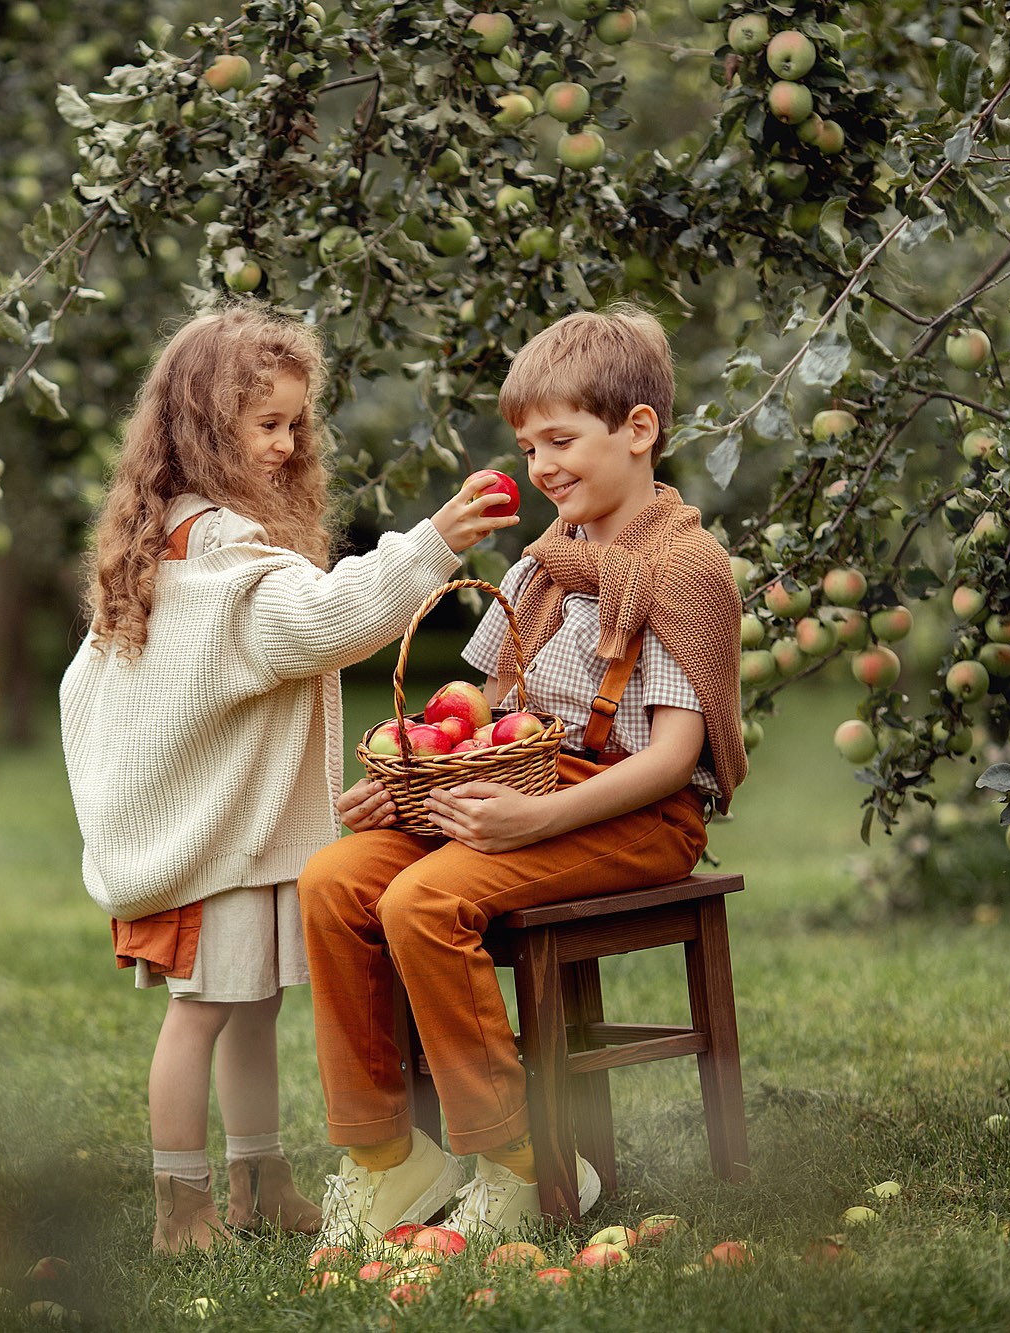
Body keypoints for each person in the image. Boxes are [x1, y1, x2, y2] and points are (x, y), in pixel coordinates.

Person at [60, 301, 518, 1255]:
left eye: (295, 424)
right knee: (204, 1016)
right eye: (264, 424)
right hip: (210, 842)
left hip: (240, 833)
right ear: (202, 430)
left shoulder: (173, 548)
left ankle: (259, 1178)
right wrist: (433, 541)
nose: (286, 443)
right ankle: (180, 1208)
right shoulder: (220, 561)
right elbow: (327, 621)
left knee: (254, 1005)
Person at [299, 305, 749, 1254]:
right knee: (334, 879)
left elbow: (673, 759)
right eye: (527, 445)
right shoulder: (547, 563)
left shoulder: (685, 568)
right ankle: (389, 1156)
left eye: (560, 439)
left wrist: (527, 824)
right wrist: (416, 770)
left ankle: (523, 1162)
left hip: (637, 810)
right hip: (525, 786)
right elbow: (482, 699)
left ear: (638, 430)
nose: (540, 465)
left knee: (424, 903)